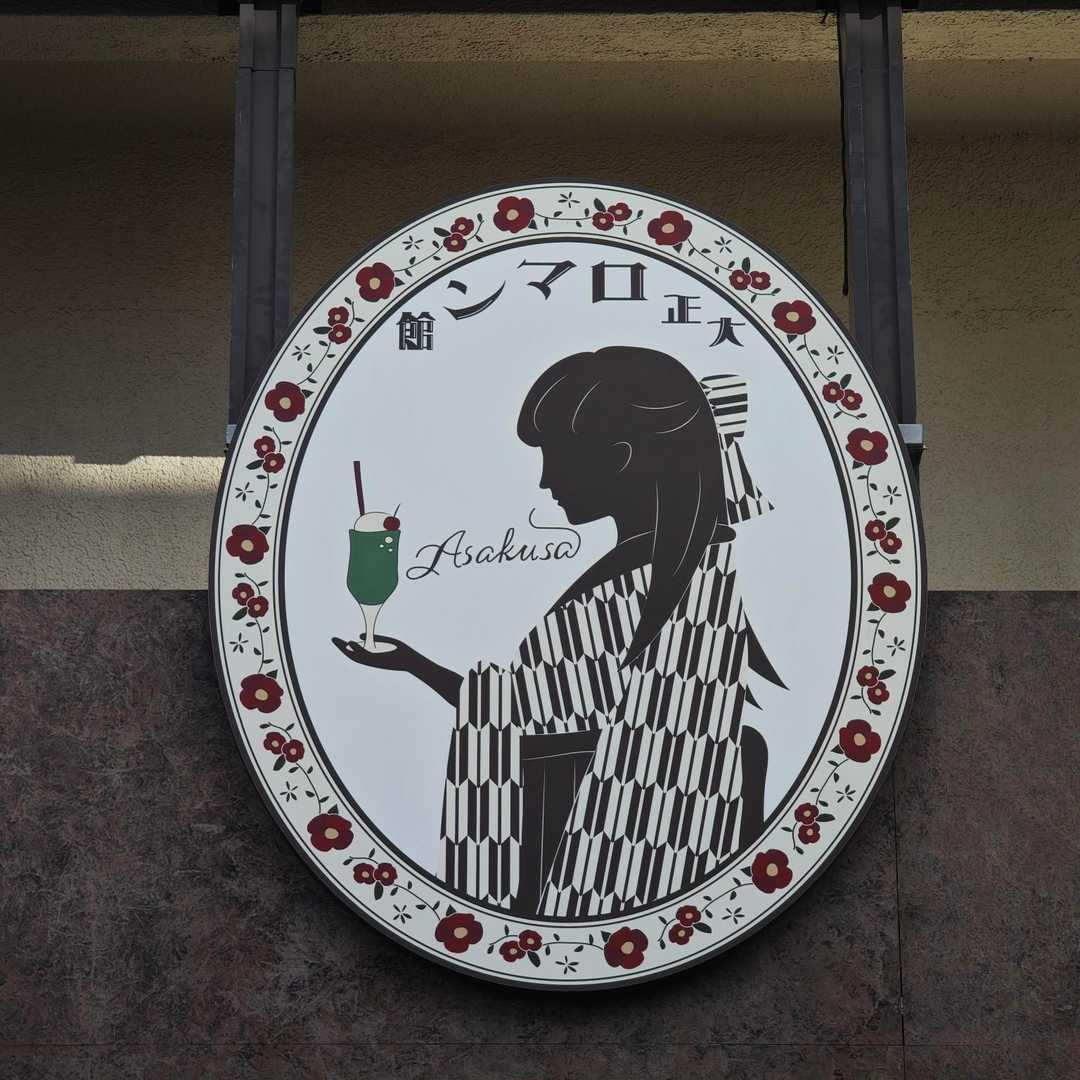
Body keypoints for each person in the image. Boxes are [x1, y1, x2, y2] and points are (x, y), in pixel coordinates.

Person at [333, 346, 783, 918]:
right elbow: (538, 704)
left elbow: (528, 713)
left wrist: (413, 666)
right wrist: (412, 662)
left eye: (556, 456)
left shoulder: (641, 584)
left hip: (594, 852)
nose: (546, 480)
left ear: (618, 457)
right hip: (647, 835)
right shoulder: (684, 566)